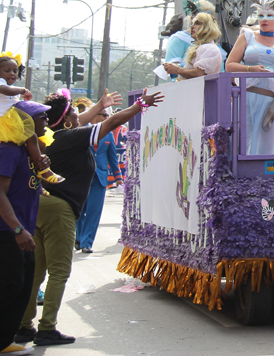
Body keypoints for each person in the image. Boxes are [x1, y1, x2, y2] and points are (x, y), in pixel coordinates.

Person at [16, 88, 162, 347]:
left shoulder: (54, 137)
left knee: (36, 272)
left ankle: (24, 326)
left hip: (39, 205)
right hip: (59, 209)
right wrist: (140, 104)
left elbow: (81, 121)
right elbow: (113, 121)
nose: (79, 114)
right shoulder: (72, 138)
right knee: (59, 271)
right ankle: (47, 328)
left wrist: (99, 104)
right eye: (74, 111)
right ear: (67, 120)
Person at [0, 102, 49, 355]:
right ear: (24, 122)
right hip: (8, 233)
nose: (46, 122)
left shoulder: (28, 151)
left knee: (21, 286)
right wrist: (18, 229)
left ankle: (5, 341)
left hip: (22, 231)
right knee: (10, 285)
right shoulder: (8, 151)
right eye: (41, 117)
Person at [224, 0, 274, 155]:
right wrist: (251, 69)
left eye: (269, 15)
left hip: (273, 102)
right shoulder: (247, 37)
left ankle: (269, 178)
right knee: (243, 142)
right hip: (249, 99)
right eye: (260, 15)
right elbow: (229, 66)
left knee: (269, 146)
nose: (264, 19)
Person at [0, 53, 62, 187]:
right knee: (32, 137)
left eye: (15, 71)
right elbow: (5, 90)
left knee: (36, 141)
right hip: (4, 123)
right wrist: (22, 90)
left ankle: (38, 182)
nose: (12, 74)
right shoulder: (2, 84)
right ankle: (44, 170)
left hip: (9, 121)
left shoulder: (10, 89)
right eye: (7, 70)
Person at [73, 108, 121, 254]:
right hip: (81, 177)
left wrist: (118, 177)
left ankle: (87, 242)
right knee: (79, 210)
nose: (107, 118)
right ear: (94, 115)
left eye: (108, 115)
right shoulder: (81, 131)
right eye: (104, 115)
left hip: (99, 178)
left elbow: (113, 158)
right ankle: (79, 237)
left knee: (94, 211)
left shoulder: (109, 135)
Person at [163, 12, 223, 80]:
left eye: (197, 23)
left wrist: (177, 70)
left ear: (207, 27)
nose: (192, 27)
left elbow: (199, 73)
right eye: (192, 24)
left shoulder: (210, 48)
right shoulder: (203, 47)